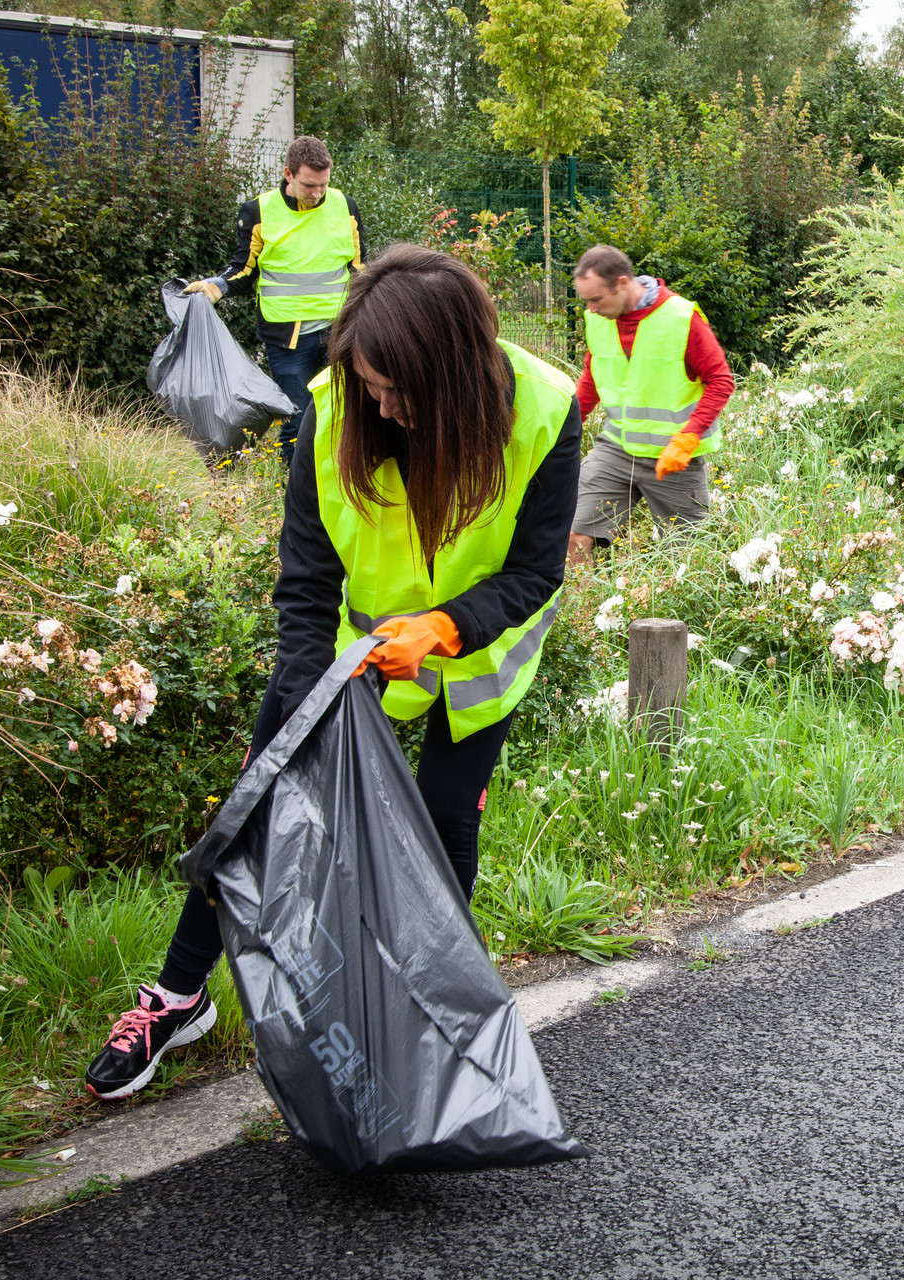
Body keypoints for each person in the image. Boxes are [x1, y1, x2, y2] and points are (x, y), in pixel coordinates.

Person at [84, 244, 580, 1100]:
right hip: (349, 660)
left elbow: (537, 573)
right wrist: (315, 693)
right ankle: (177, 999)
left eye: (397, 389)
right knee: (256, 809)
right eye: (370, 385)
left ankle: (428, 1009)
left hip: (473, 662)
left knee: (441, 831)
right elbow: (307, 583)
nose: (381, 403)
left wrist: (445, 628)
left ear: (452, 372)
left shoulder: (544, 409)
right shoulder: (334, 406)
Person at [183, 135, 365, 467]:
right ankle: (296, 491)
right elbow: (244, 269)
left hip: (340, 334)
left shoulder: (345, 206)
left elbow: (360, 269)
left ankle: (341, 479)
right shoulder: (259, 211)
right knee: (298, 419)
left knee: (344, 415)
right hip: (287, 341)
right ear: (288, 174)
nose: (317, 193)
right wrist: (215, 287)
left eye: (323, 185)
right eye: (309, 185)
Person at [566, 244, 734, 565]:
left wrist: (687, 439)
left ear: (622, 283)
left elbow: (721, 380)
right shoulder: (598, 319)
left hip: (673, 458)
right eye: (585, 299)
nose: (590, 307)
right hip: (617, 448)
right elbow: (592, 380)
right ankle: (583, 612)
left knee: (688, 557)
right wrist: (565, 426)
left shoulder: (681, 317)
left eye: (596, 298)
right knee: (573, 534)